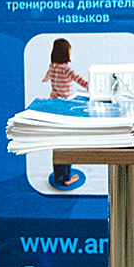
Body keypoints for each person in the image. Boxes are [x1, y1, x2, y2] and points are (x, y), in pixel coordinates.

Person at [42, 38, 87, 190]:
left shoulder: (53, 66)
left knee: (57, 142)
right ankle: (66, 178)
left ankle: (58, 175)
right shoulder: (66, 69)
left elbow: (48, 75)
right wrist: (89, 86)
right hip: (66, 108)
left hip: (54, 106)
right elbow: (78, 79)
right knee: (67, 142)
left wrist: (46, 79)